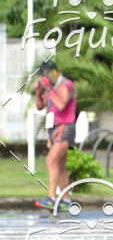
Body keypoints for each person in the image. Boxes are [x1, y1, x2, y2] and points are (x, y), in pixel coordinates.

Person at [33, 60, 76, 211]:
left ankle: (51, 198)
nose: (44, 78)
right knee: (60, 166)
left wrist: (49, 89)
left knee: (51, 160)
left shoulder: (66, 84)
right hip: (53, 130)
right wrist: (39, 92)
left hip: (65, 128)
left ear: (53, 72)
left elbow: (61, 104)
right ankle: (66, 201)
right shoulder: (52, 87)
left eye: (45, 75)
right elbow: (40, 106)